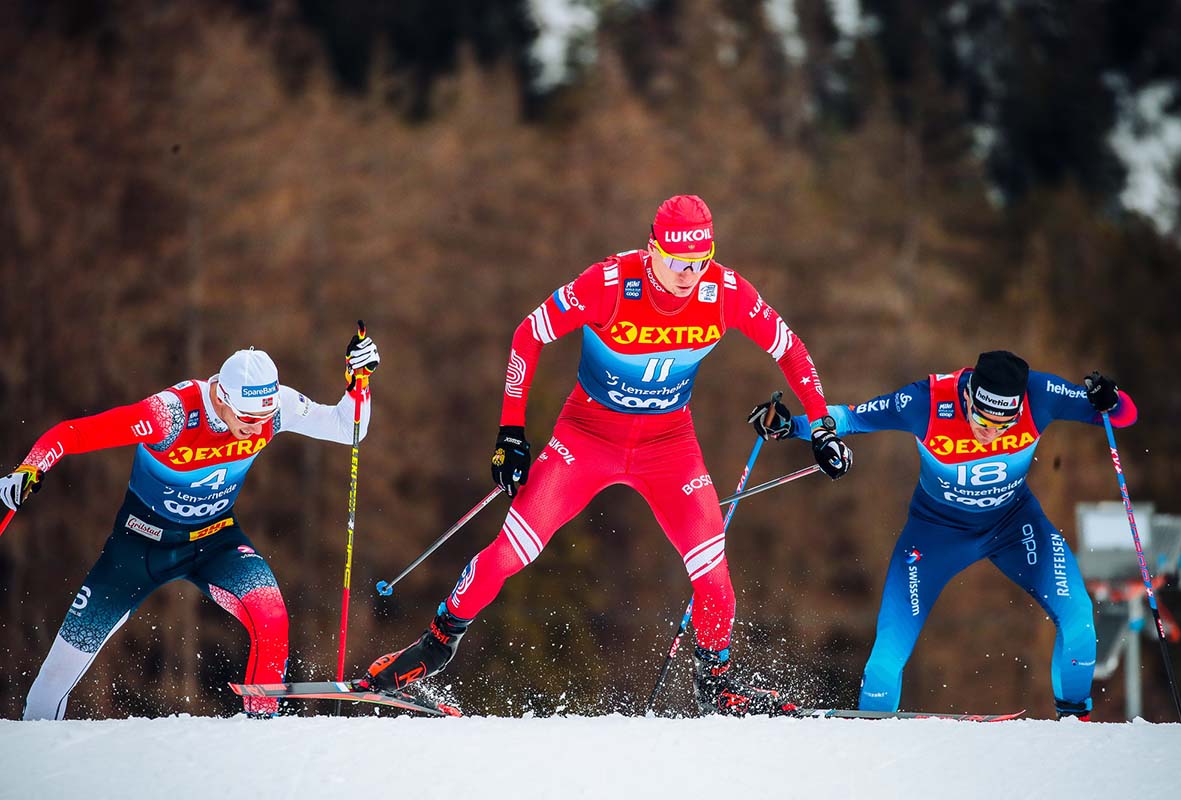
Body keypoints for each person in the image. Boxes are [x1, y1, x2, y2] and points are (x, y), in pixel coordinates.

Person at [358, 194, 852, 716]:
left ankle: (718, 687)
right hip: (587, 436)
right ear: (652, 248)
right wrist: (510, 434)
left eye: (699, 262)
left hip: (669, 447)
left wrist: (820, 427)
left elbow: (790, 349)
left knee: (715, 579)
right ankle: (433, 647)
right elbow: (529, 335)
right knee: (511, 552)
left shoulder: (725, 292)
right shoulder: (611, 284)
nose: (688, 275)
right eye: (676, 261)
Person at [0, 333, 380, 718]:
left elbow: (345, 428)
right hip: (141, 545)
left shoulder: (272, 405)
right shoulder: (170, 414)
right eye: (247, 419)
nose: (256, 428)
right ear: (221, 398)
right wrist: (32, 466)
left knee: (272, 616)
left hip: (215, 540)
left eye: (265, 419)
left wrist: (357, 382)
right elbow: (75, 433)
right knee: (56, 676)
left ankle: (264, 735)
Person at [747, 350, 1135, 719]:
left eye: (1005, 425)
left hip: (1015, 525)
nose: (992, 435)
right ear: (968, 398)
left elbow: (1123, 416)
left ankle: (1075, 727)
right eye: (982, 422)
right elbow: (849, 418)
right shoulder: (927, 402)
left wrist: (1110, 398)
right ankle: (867, 750)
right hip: (935, 536)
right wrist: (789, 426)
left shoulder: (1041, 395)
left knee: (1081, 621)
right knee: (885, 661)